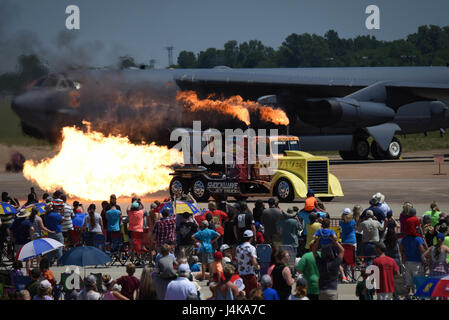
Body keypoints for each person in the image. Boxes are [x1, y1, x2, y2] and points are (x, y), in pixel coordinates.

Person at [400, 232, 426, 298]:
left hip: (407, 262)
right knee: (418, 282)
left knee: (408, 281)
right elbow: (422, 250)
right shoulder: (418, 239)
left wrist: (403, 259)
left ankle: (408, 296)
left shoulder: (404, 239)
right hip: (417, 262)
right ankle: (418, 297)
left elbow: (401, 249)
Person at [235, 230, 260, 295]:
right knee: (253, 295)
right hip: (250, 275)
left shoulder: (238, 248)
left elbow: (237, 261)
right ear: (251, 238)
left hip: (241, 275)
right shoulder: (252, 248)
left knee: (243, 295)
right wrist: (258, 267)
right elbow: (254, 262)